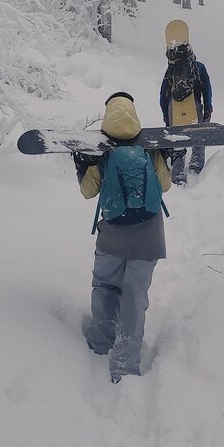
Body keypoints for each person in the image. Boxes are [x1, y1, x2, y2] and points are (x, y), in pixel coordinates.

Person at [73, 92, 172, 382]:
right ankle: (126, 363)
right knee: (135, 296)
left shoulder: (100, 148)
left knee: (105, 286)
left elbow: (88, 192)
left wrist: (83, 165)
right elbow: (164, 187)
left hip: (113, 234)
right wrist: (164, 157)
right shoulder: (149, 146)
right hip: (149, 236)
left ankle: (100, 344)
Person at [159, 39, 213, 183]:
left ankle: (178, 174)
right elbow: (207, 89)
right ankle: (196, 167)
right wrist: (208, 108)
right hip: (194, 106)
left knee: (177, 138)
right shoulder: (199, 67)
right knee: (199, 136)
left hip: (174, 107)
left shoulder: (171, 70)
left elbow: (162, 94)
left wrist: (166, 115)